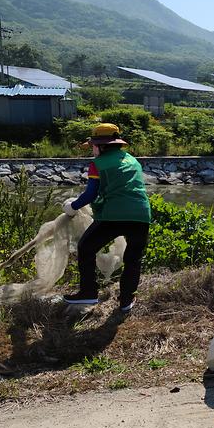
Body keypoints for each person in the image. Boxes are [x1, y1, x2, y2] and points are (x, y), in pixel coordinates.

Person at [61, 123, 151, 313]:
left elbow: (91, 194)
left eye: (93, 145)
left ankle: (88, 293)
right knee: (133, 259)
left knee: (85, 248)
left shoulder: (97, 164)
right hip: (141, 215)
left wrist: (72, 207)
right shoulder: (132, 160)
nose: (92, 150)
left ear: (101, 146)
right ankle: (126, 301)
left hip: (113, 215)